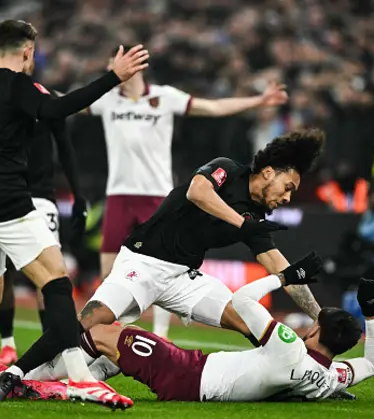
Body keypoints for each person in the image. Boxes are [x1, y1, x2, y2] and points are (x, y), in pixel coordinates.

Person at [0, 129, 327, 401]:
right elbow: (197, 193)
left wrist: (318, 314)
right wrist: (242, 224)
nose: (287, 197)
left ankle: (297, 381)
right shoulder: (228, 170)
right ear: (268, 172)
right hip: (142, 262)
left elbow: (281, 268)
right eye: (288, 187)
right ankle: (14, 374)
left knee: (249, 320)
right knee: (91, 321)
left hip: (185, 277)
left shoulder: (256, 218)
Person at [0, 19, 149, 411]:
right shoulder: (20, 86)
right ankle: (81, 379)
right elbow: (58, 108)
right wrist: (113, 77)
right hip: (7, 200)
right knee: (57, 283)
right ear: (27, 53)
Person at [89, 50, 289, 339]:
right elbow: (68, 104)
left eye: (114, 64)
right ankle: (108, 336)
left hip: (156, 194)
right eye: (111, 64)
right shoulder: (107, 99)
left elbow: (213, 108)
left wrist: (258, 101)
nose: (111, 70)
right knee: (109, 269)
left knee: (166, 263)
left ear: (135, 65)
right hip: (118, 193)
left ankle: (160, 334)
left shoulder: (163, 96)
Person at [0, 277, 374, 403]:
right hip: (195, 378)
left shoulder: (290, 346)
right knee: (118, 357)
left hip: (188, 375)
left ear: (315, 331)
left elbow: (241, 300)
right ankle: (47, 386)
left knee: (105, 331)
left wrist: (282, 276)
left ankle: (21, 376)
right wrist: (372, 315)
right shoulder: (331, 377)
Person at [0, 84, 87, 366]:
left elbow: (65, 148)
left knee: (49, 277)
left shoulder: (44, 99)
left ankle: (52, 349)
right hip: (5, 197)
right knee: (3, 275)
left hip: (39, 198)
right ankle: (8, 345)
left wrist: (78, 195)